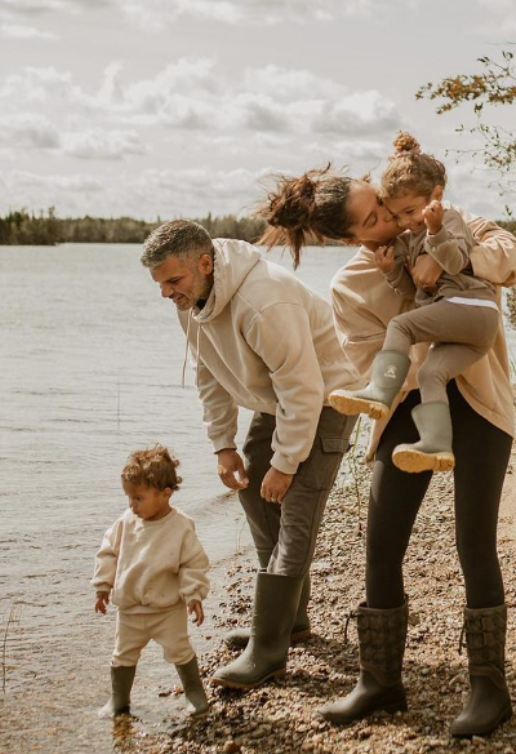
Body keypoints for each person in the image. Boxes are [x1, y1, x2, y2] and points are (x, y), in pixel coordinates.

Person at [259, 154, 516, 738]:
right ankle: (379, 681)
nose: (388, 215)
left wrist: (447, 256)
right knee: (380, 544)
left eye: (381, 202)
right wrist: (415, 293)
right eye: (373, 216)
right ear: (352, 237)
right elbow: (368, 362)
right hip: (407, 410)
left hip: (480, 402)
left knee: (473, 541)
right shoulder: (350, 285)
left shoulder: (447, 221)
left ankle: (490, 688)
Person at [139, 220, 361, 691]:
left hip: (325, 401)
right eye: (159, 284)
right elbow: (210, 373)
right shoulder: (192, 299)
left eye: (172, 281)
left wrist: (285, 464)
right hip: (276, 402)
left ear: (204, 263)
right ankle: (289, 622)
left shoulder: (265, 301)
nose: (166, 293)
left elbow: (303, 389)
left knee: (296, 514)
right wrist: (223, 445)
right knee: (257, 502)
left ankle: (268, 650)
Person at [328, 132, 500, 474]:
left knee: (400, 326)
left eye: (410, 212)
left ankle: (379, 390)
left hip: (473, 307)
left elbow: (453, 262)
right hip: (468, 329)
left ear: (436, 196)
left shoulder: (448, 219)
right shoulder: (409, 238)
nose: (406, 222)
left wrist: (435, 234)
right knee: (430, 373)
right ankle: (436, 445)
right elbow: (413, 291)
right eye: (397, 215)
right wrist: (391, 271)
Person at [92, 445, 210, 718]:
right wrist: (102, 586)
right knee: (122, 654)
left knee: (179, 650)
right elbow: (108, 551)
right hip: (130, 609)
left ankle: (194, 693)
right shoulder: (126, 521)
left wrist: (193, 595)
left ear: (165, 494)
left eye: (138, 498)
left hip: (167, 609)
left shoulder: (180, 526)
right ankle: (118, 699)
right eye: (129, 498)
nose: (131, 504)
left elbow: (192, 563)